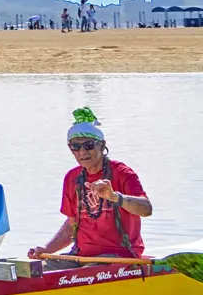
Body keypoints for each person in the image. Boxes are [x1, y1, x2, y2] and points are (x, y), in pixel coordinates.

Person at [27, 108, 154, 261]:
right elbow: (72, 225)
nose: (82, 152)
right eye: (75, 146)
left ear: (102, 145)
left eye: (88, 145)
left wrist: (115, 197)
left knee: (85, 273)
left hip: (117, 257)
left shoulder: (122, 173)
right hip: (81, 256)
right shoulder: (72, 178)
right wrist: (47, 248)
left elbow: (146, 209)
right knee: (38, 272)